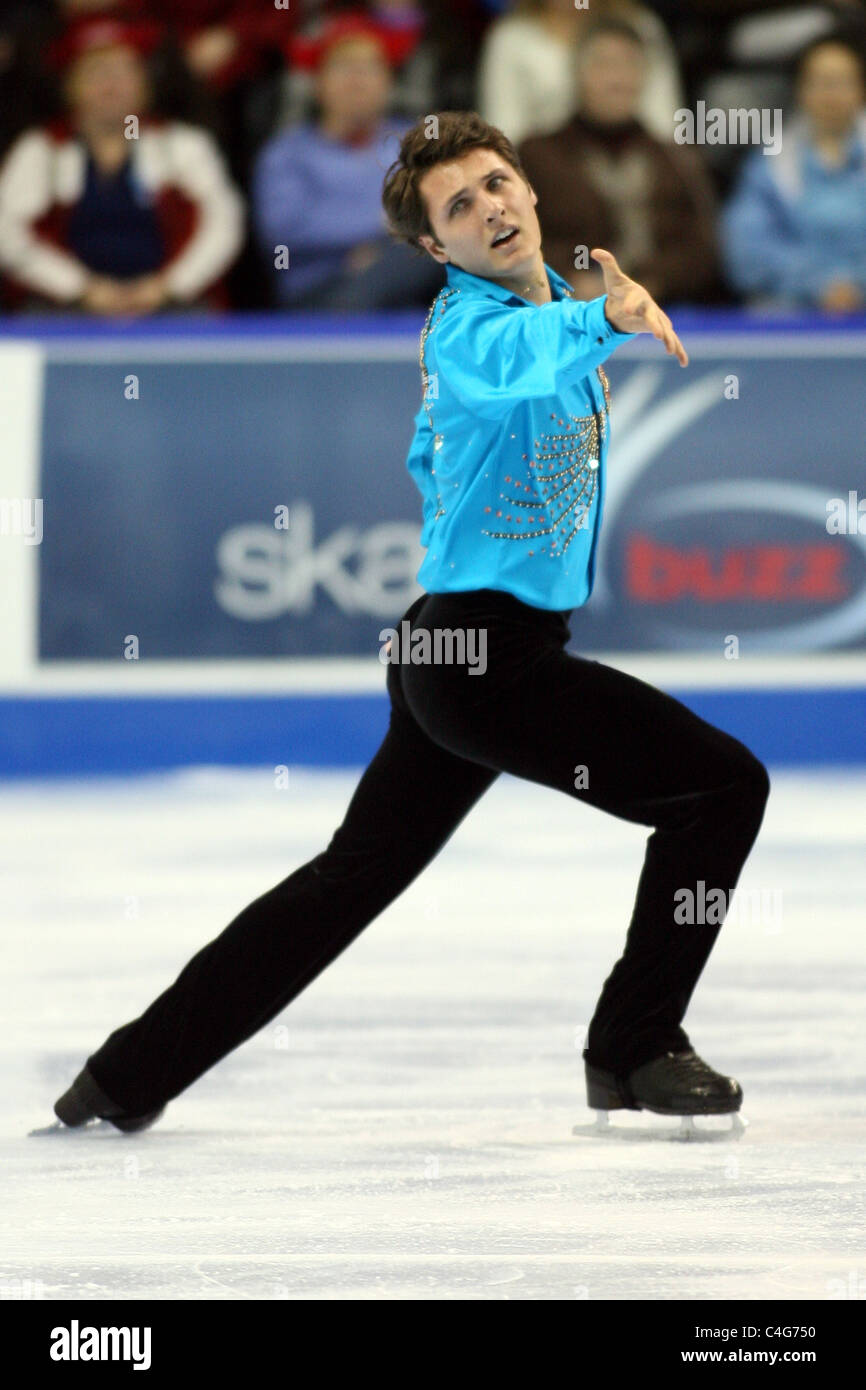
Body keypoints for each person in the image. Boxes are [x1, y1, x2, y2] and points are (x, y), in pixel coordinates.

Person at [52, 110, 770, 1136]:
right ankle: (633, 1045)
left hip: (452, 644)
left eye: (494, 183)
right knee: (720, 786)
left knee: (349, 879)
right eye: (457, 206)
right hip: (484, 659)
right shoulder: (468, 327)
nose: (487, 207)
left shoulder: (543, 311)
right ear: (437, 248)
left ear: (526, 188)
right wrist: (602, 318)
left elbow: (460, 442)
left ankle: (121, 1076)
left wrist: (582, 320)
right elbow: (513, 361)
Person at [0, 15, 244, 314]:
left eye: (123, 72)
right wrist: (80, 288)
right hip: (61, 308)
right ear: (71, 84)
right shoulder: (41, 150)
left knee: (204, 327)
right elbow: (7, 235)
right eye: (97, 72)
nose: (111, 85)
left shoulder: (182, 145)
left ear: (144, 83)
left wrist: (167, 286)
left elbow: (224, 224)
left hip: (169, 306)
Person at [516, 17, 720, 305]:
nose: (617, 79)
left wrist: (652, 283)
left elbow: (702, 247)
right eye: (604, 65)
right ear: (577, 73)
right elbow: (515, 236)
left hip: (667, 315)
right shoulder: (538, 155)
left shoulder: (676, 159)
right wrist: (568, 279)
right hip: (563, 312)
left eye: (630, 65)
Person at [251, 10, 445, 310]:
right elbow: (283, 233)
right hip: (318, 295)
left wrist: (381, 253)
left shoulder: (415, 143)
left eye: (370, 67)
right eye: (343, 67)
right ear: (318, 83)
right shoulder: (286, 153)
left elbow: (443, 214)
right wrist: (387, 228)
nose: (357, 80)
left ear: (389, 81)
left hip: (414, 292)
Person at [722, 34, 866, 312]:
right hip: (790, 316)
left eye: (842, 82)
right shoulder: (769, 164)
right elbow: (745, 252)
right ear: (801, 90)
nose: (831, 94)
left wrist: (855, 284)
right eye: (821, 83)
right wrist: (818, 285)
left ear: (861, 89)